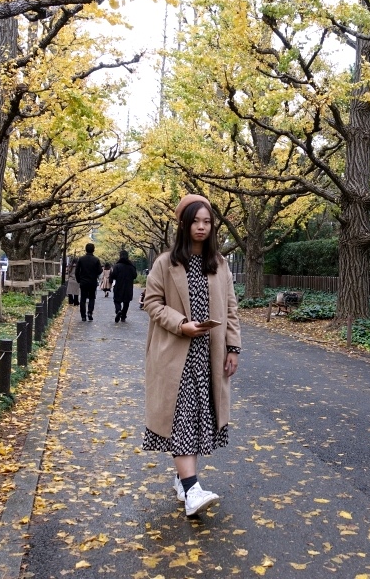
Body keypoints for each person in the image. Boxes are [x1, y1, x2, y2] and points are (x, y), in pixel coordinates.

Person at [141, 194, 241, 518]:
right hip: (175, 354)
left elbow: (231, 310)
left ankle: (182, 481)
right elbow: (151, 302)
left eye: (207, 222)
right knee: (181, 416)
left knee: (199, 419)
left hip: (208, 356)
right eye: (195, 221)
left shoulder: (220, 264)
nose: (201, 227)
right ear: (184, 225)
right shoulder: (166, 263)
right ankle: (193, 490)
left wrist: (233, 348)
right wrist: (181, 324)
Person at [75, 243, 103, 321]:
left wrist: (78, 279)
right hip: (92, 281)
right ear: (93, 250)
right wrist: (94, 274)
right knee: (91, 298)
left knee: (83, 299)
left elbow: (77, 271)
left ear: (86, 249)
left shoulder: (81, 259)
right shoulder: (96, 260)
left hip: (83, 281)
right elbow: (100, 271)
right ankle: (90, 312)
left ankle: (83, 316)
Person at [109, 252, 137, 323]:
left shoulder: (117, 266)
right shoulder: (131, 266)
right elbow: (135, 276)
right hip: (129, 287)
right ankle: (123, 316)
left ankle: (118, 310)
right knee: (126, 302)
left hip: (119, 285)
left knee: (116, 300)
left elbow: (113, 275)